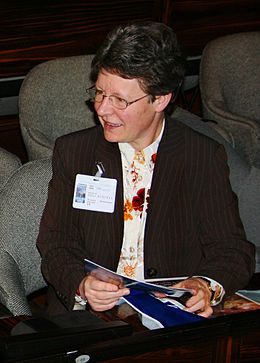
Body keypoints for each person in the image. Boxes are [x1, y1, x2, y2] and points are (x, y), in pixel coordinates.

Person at [37, 21, 255, 318]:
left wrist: (204, 285)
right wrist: (82, 285)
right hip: (91, 319)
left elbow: (231, 250)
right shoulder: (75, 153)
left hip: (168, 321)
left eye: (120, 100)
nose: (102, 109)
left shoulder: (200, 155)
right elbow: (55, 242)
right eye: (100, 93)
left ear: (160, 99)